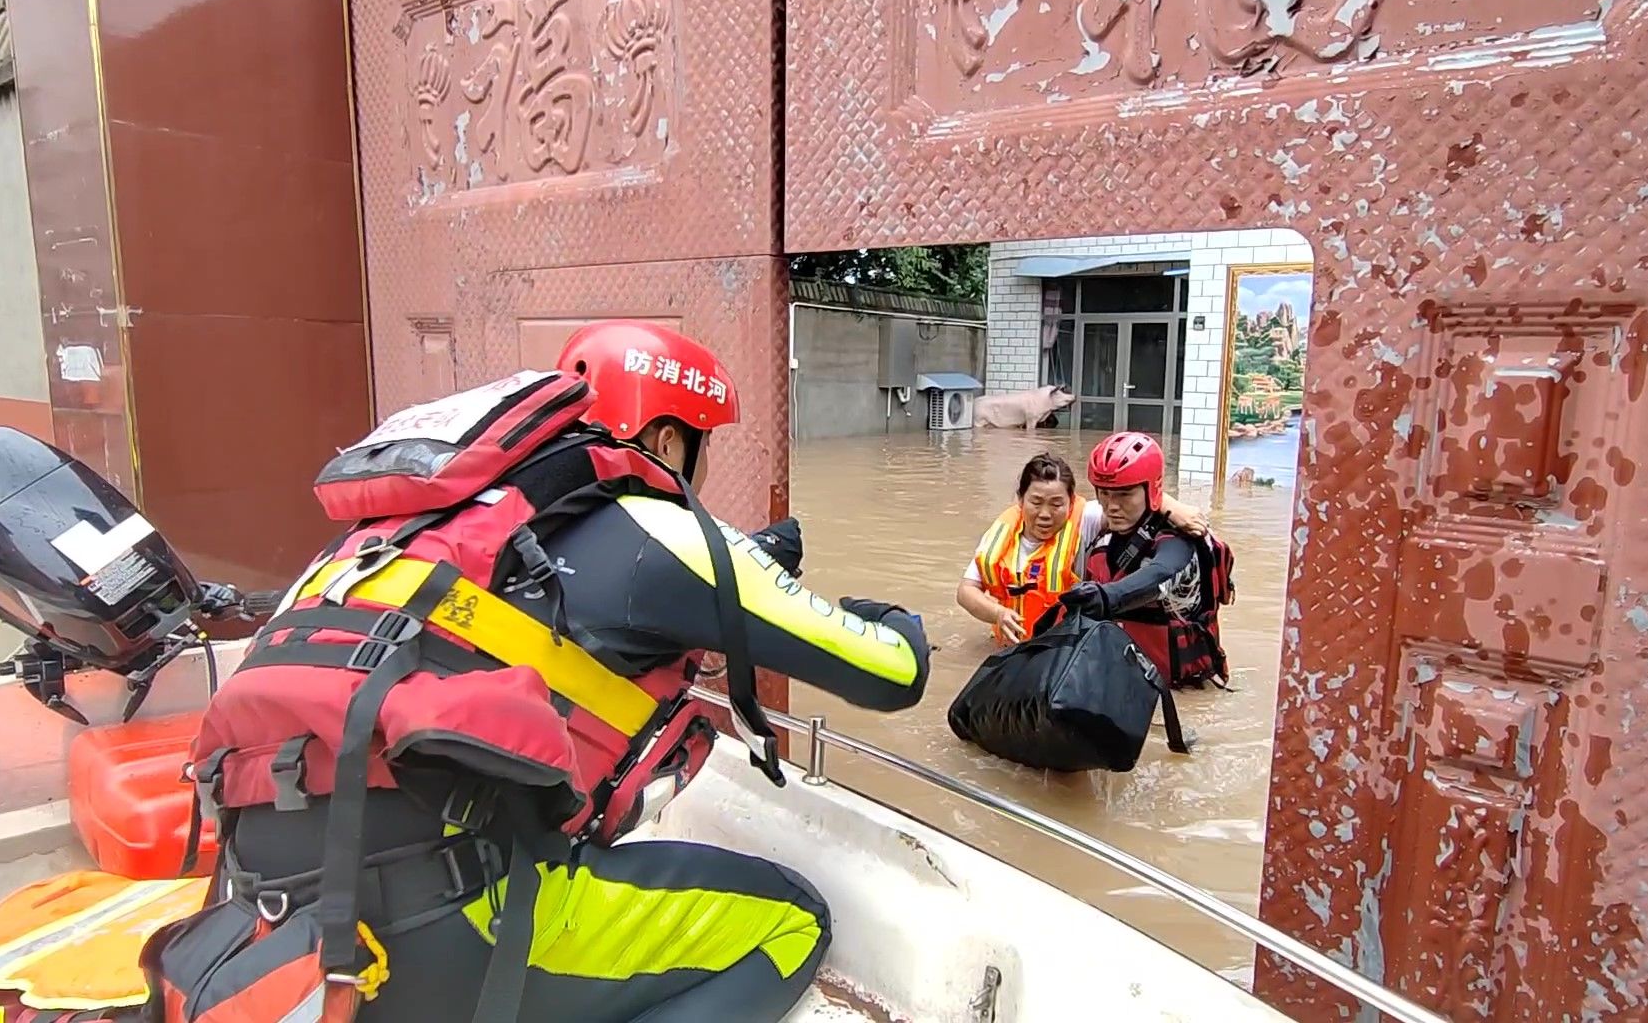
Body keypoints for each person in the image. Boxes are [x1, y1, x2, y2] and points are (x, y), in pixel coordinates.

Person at [153, 321, 930, 1023]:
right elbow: (892, 675)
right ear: (664, 440)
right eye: (697, 443)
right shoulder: (657, 524)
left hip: (276, 916)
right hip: (441, 925)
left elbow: (527, 625)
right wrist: (896, 620)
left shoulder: (396, 543)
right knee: (792, 922)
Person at [958, 452, 1207, 645]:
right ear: (1020, 499)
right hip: (1007, 645)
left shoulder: (1086, 520)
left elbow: (1131, 504)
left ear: (1072, 501)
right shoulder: (1000, 535)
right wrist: (998, 614)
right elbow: (966, 591)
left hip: (1061, 648)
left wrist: (1174, 508)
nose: (1045, 514)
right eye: (1036, 502)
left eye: (1057, 504)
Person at [1057, 432, 1234, 689]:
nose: (1111, 505)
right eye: (1104, 493)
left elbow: (1160, 573)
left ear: (1151, 490)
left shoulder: (1179, 543)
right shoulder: (1103, 534)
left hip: (1180, 692)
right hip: (1123, 685)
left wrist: (1105, 597)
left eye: (1124, 494)